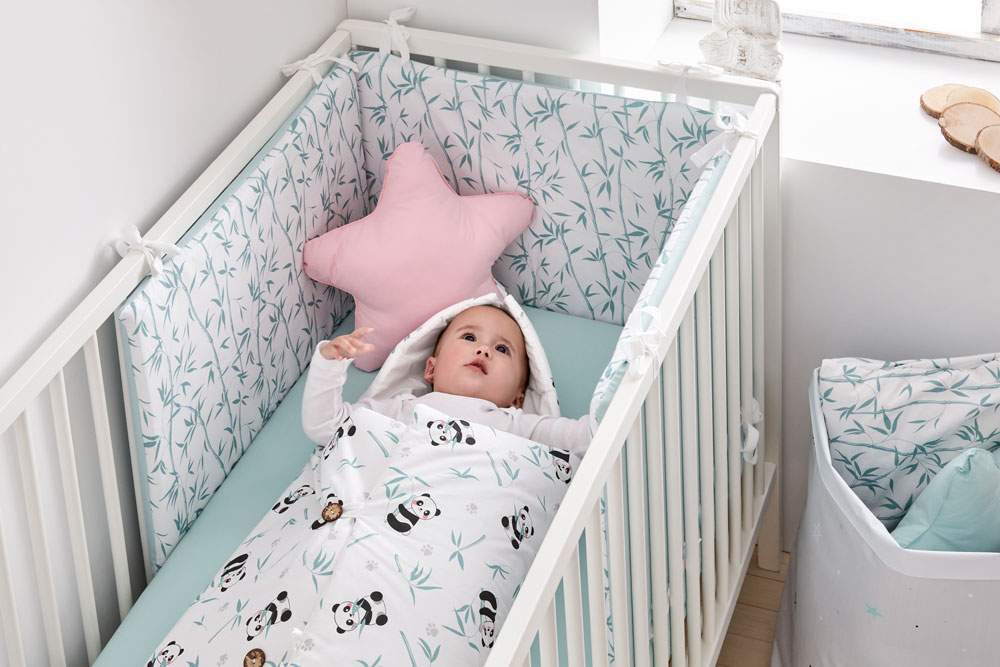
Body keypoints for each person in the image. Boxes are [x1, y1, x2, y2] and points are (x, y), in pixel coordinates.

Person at [302, 304, 591, 454]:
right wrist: (329, 363)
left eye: (502, 349)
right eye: (469, 337)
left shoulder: (517, 425)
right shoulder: (400, 408)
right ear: (431, 369)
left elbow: (587, 438)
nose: (484, 349)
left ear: (518, 397)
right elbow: (326, 428)